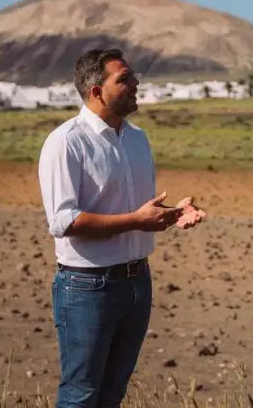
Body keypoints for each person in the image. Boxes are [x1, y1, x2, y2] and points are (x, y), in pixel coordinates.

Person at [38, 47, 206, 408]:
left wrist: (171, 215)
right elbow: (63, 220)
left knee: (112, 395)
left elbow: (139, 213)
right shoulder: (66, 142)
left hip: (136, 282)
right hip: (87, 287)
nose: (136, 83)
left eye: (133, 76)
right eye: (124, 78)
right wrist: (136, 220)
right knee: (80, 394)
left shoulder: (137, 139)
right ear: (96, 91)